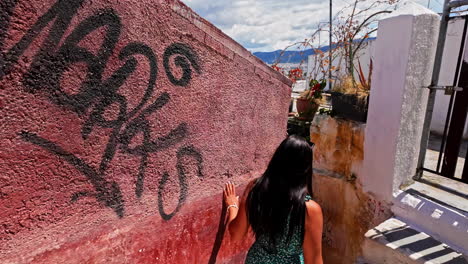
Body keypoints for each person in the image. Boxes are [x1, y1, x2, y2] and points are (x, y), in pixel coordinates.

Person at [223, 135, 323, 264]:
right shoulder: (309, 209)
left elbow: (236, 234)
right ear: (306, 168)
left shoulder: (255, 189)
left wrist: (232, 206)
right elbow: (314, 260)